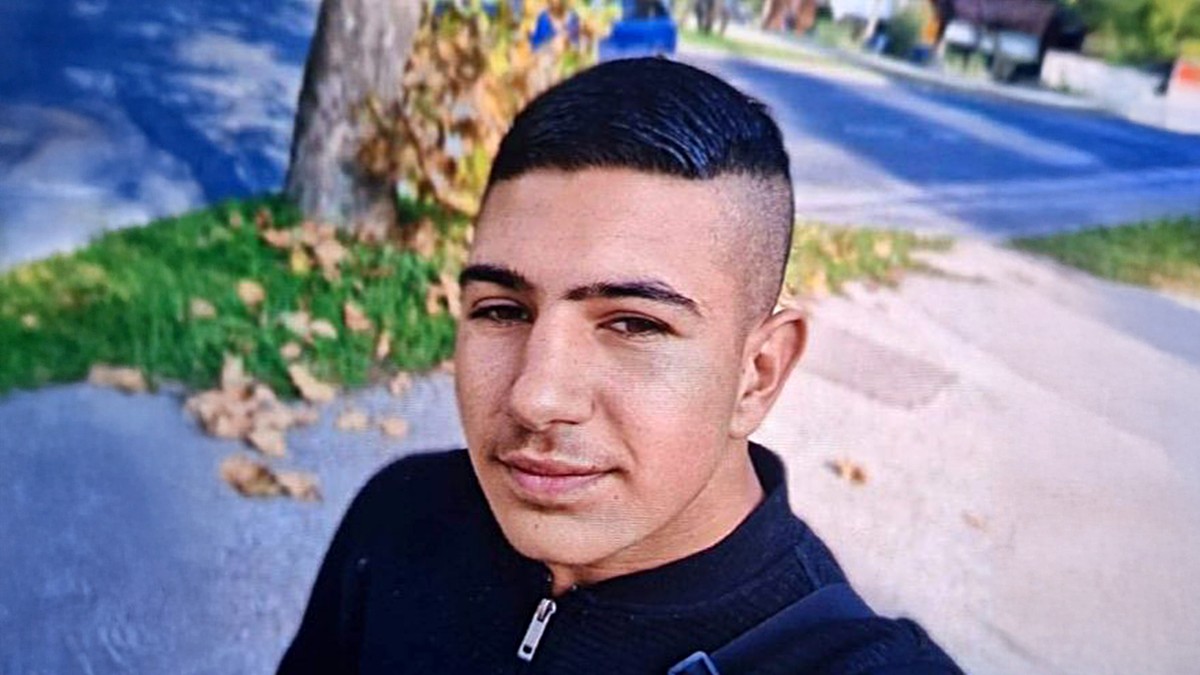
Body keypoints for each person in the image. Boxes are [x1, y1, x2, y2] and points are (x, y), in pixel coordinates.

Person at [278, 58, 961, 674]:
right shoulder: (400, 515)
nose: (536, 397)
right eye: (503, 310)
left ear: (758, 373)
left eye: (634, 323)